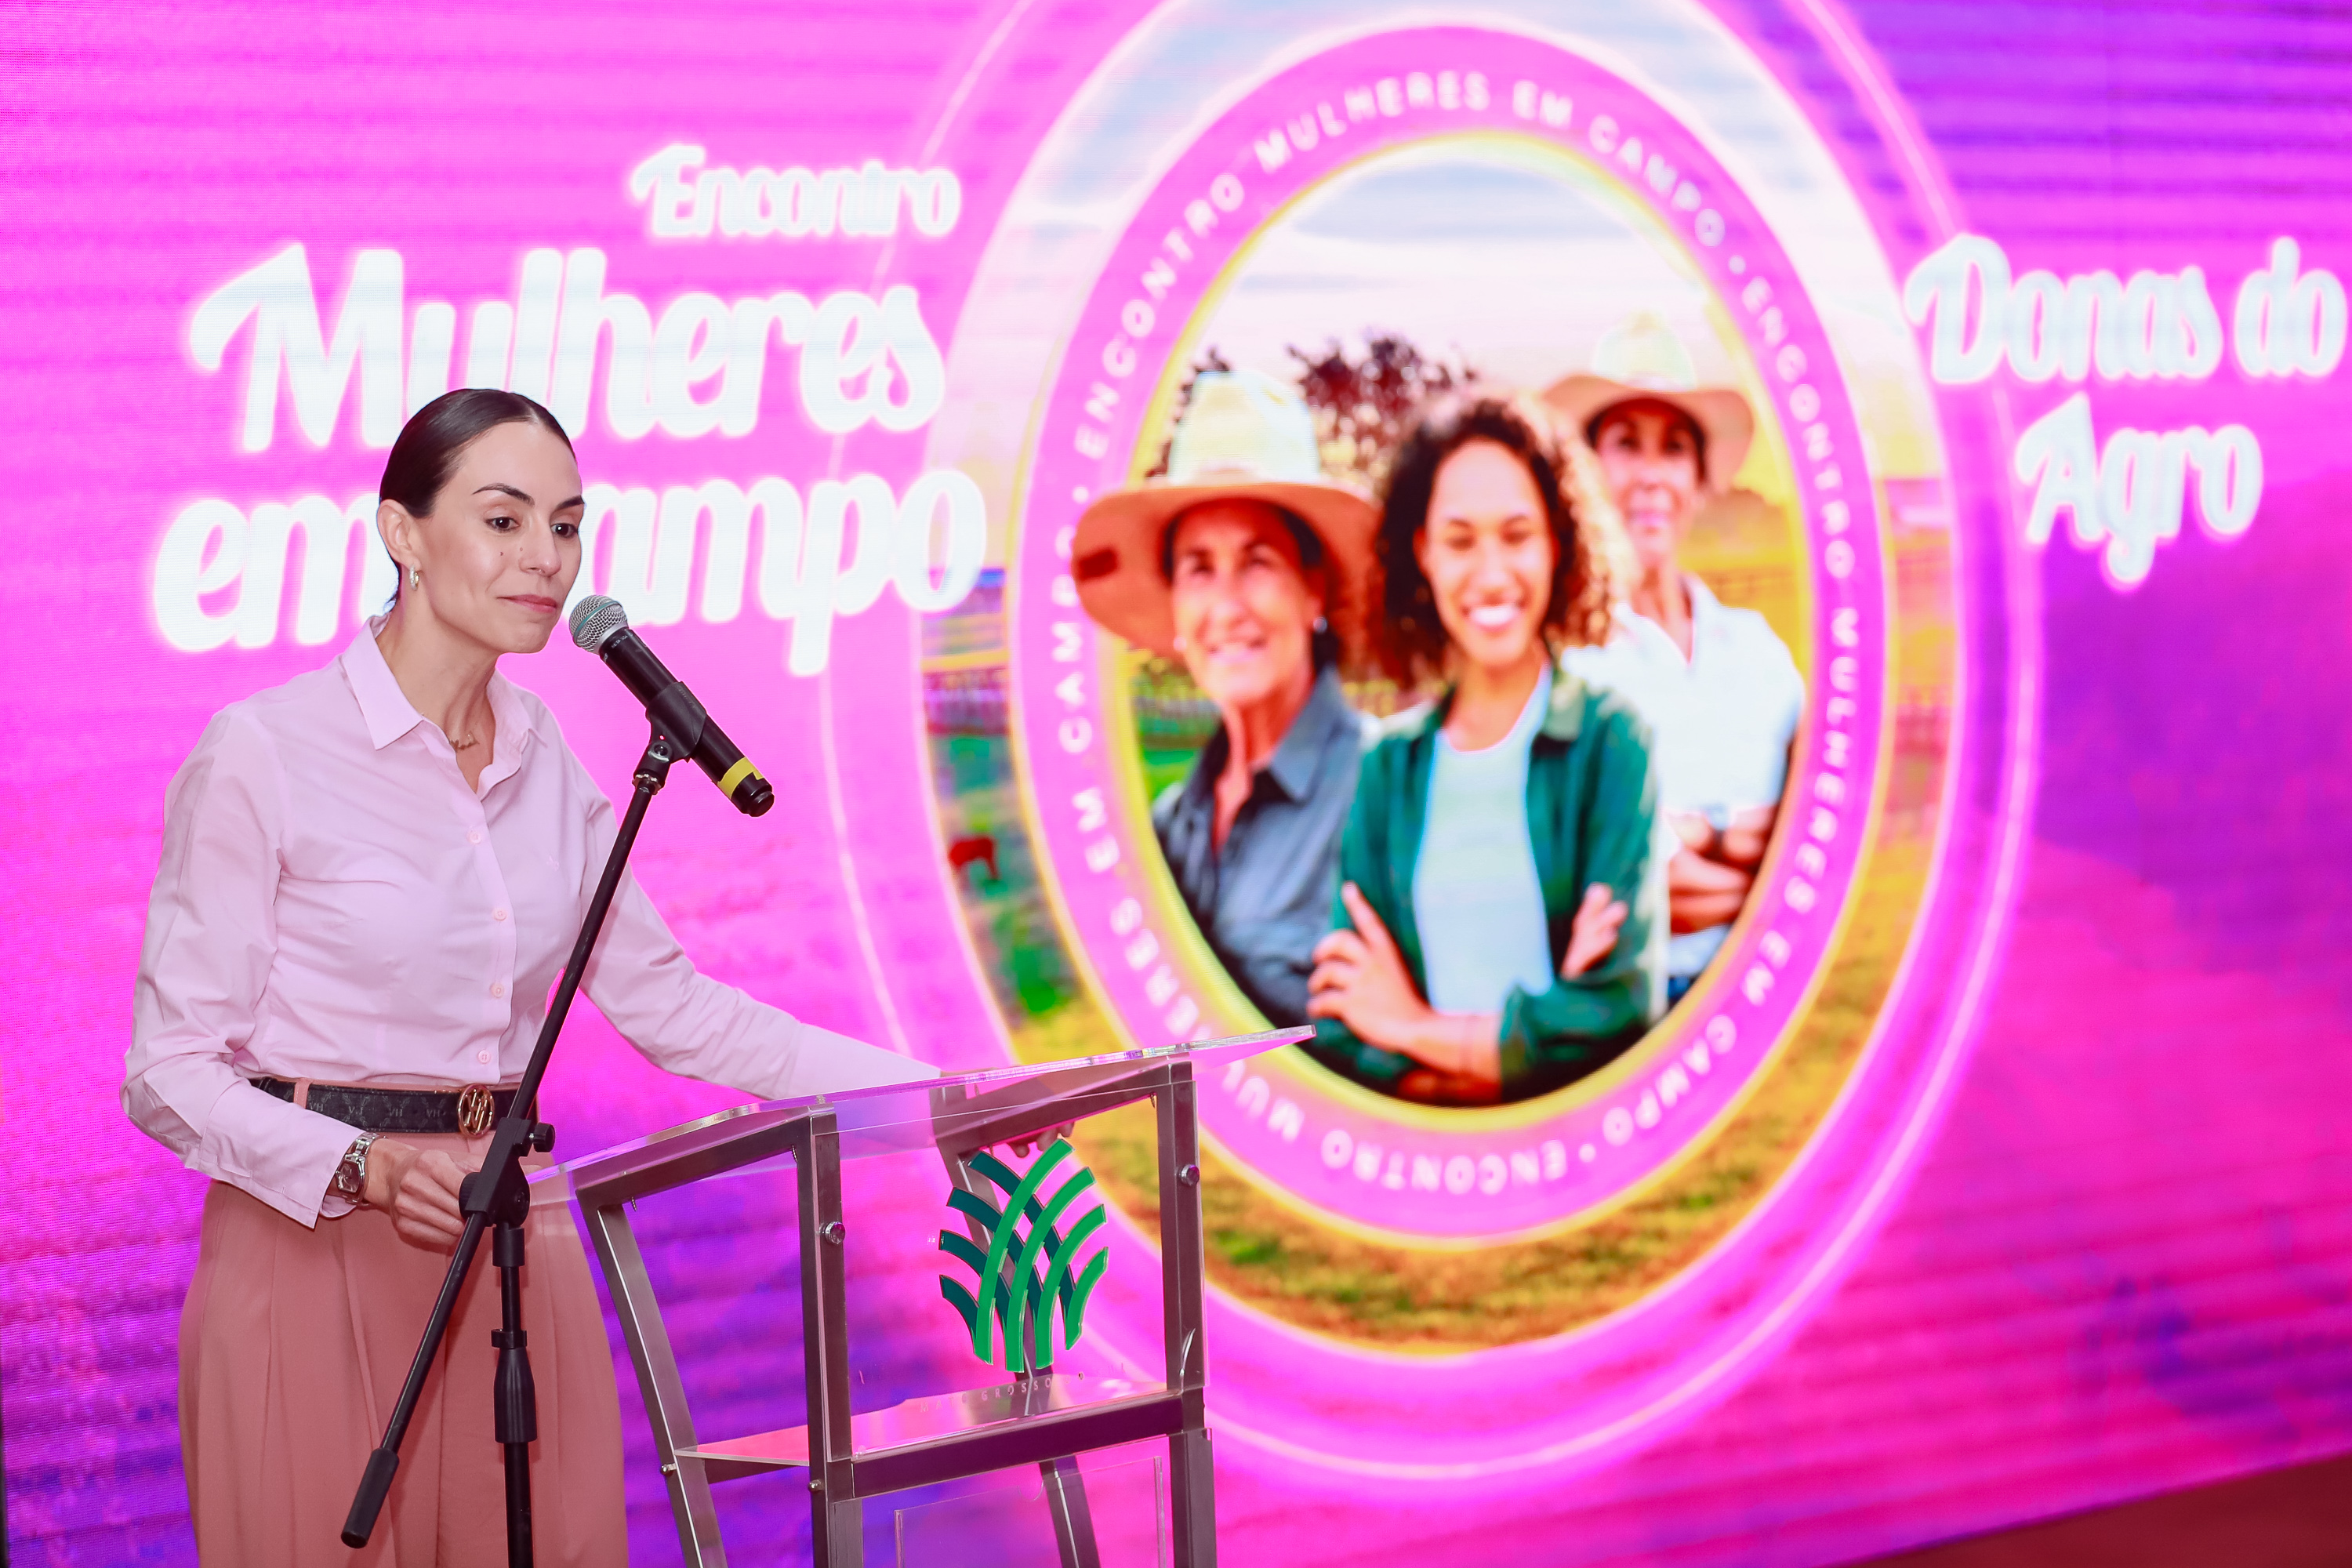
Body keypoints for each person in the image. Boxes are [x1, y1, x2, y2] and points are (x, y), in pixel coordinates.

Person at [124, 389, 934, 1567]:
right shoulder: (266, 749)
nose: (546, 558)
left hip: (512, 1238)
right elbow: (170, 1072)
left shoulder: (543, 752)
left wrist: (936, 1097)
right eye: (504, 521)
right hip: (316, 1246)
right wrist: (360, 1165)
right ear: (402, 532)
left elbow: (677, 1008)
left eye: (566, 526)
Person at [1305, 393, 1664, 1105]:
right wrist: (1529, 1041)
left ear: (1557, 541)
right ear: (1423, 553)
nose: (1492, 572)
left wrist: (1412, 1026)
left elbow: (1619, 1013)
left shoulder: (1612, 742)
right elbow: (1345, 1024)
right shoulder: (1388, 768)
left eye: (1517, 534)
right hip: (1424, 1164)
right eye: (1461, 540)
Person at [1072, 369, 1378, 1027]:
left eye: (1258, 562)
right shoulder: (1168, 825)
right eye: (1199, 569)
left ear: (1314, 589)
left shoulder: (1388, 790)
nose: (1228, 607)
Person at [1547, 315, 1805, 1002]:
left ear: (1698, 479)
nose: (1652, 475)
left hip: (1766, 1003)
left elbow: (1816, 833)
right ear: (1588, 474)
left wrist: (1697, 834)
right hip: (1636, 1011)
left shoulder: (1757, 650)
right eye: (1627, 445)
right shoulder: (1566, 665)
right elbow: (1625, 885)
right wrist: (1745, 848)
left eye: (1674, 449)